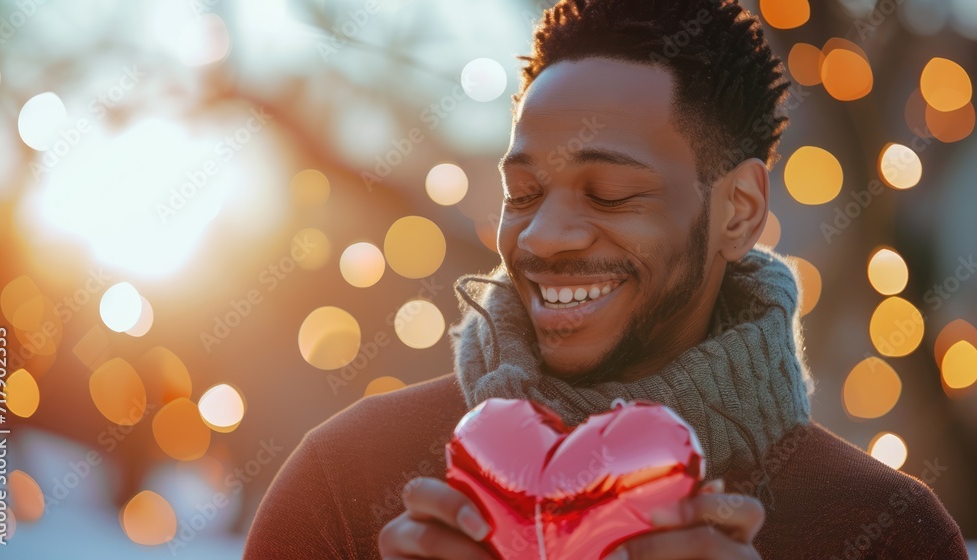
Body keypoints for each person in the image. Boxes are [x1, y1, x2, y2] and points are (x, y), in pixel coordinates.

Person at [244, 0, 967, 558]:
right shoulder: (346, 483)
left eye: (612, 194)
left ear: (738, 211)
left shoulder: (885, 530)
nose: (544, 236)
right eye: (523, 193)